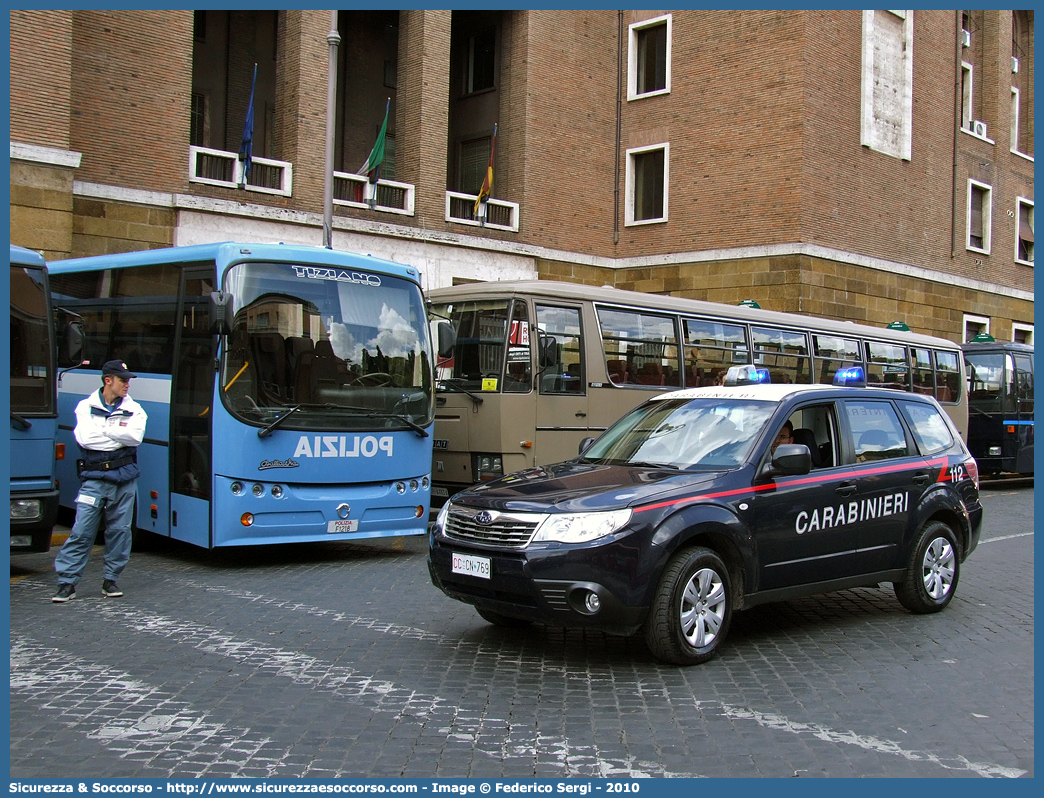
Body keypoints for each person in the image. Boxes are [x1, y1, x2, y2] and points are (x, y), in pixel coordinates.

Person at [52, 360, 147, 603]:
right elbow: (86, 439)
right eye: (123, 380)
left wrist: (104, 428)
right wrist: (118, 432)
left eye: (128, 380)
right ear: (108, 380)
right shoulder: (86, 406)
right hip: (94, 479)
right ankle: (67, 583)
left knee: (120, 532)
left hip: (125, 479)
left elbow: (134, 437)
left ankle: (110, 580)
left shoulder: (136, 409)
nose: (127, 384)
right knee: (82, 531)